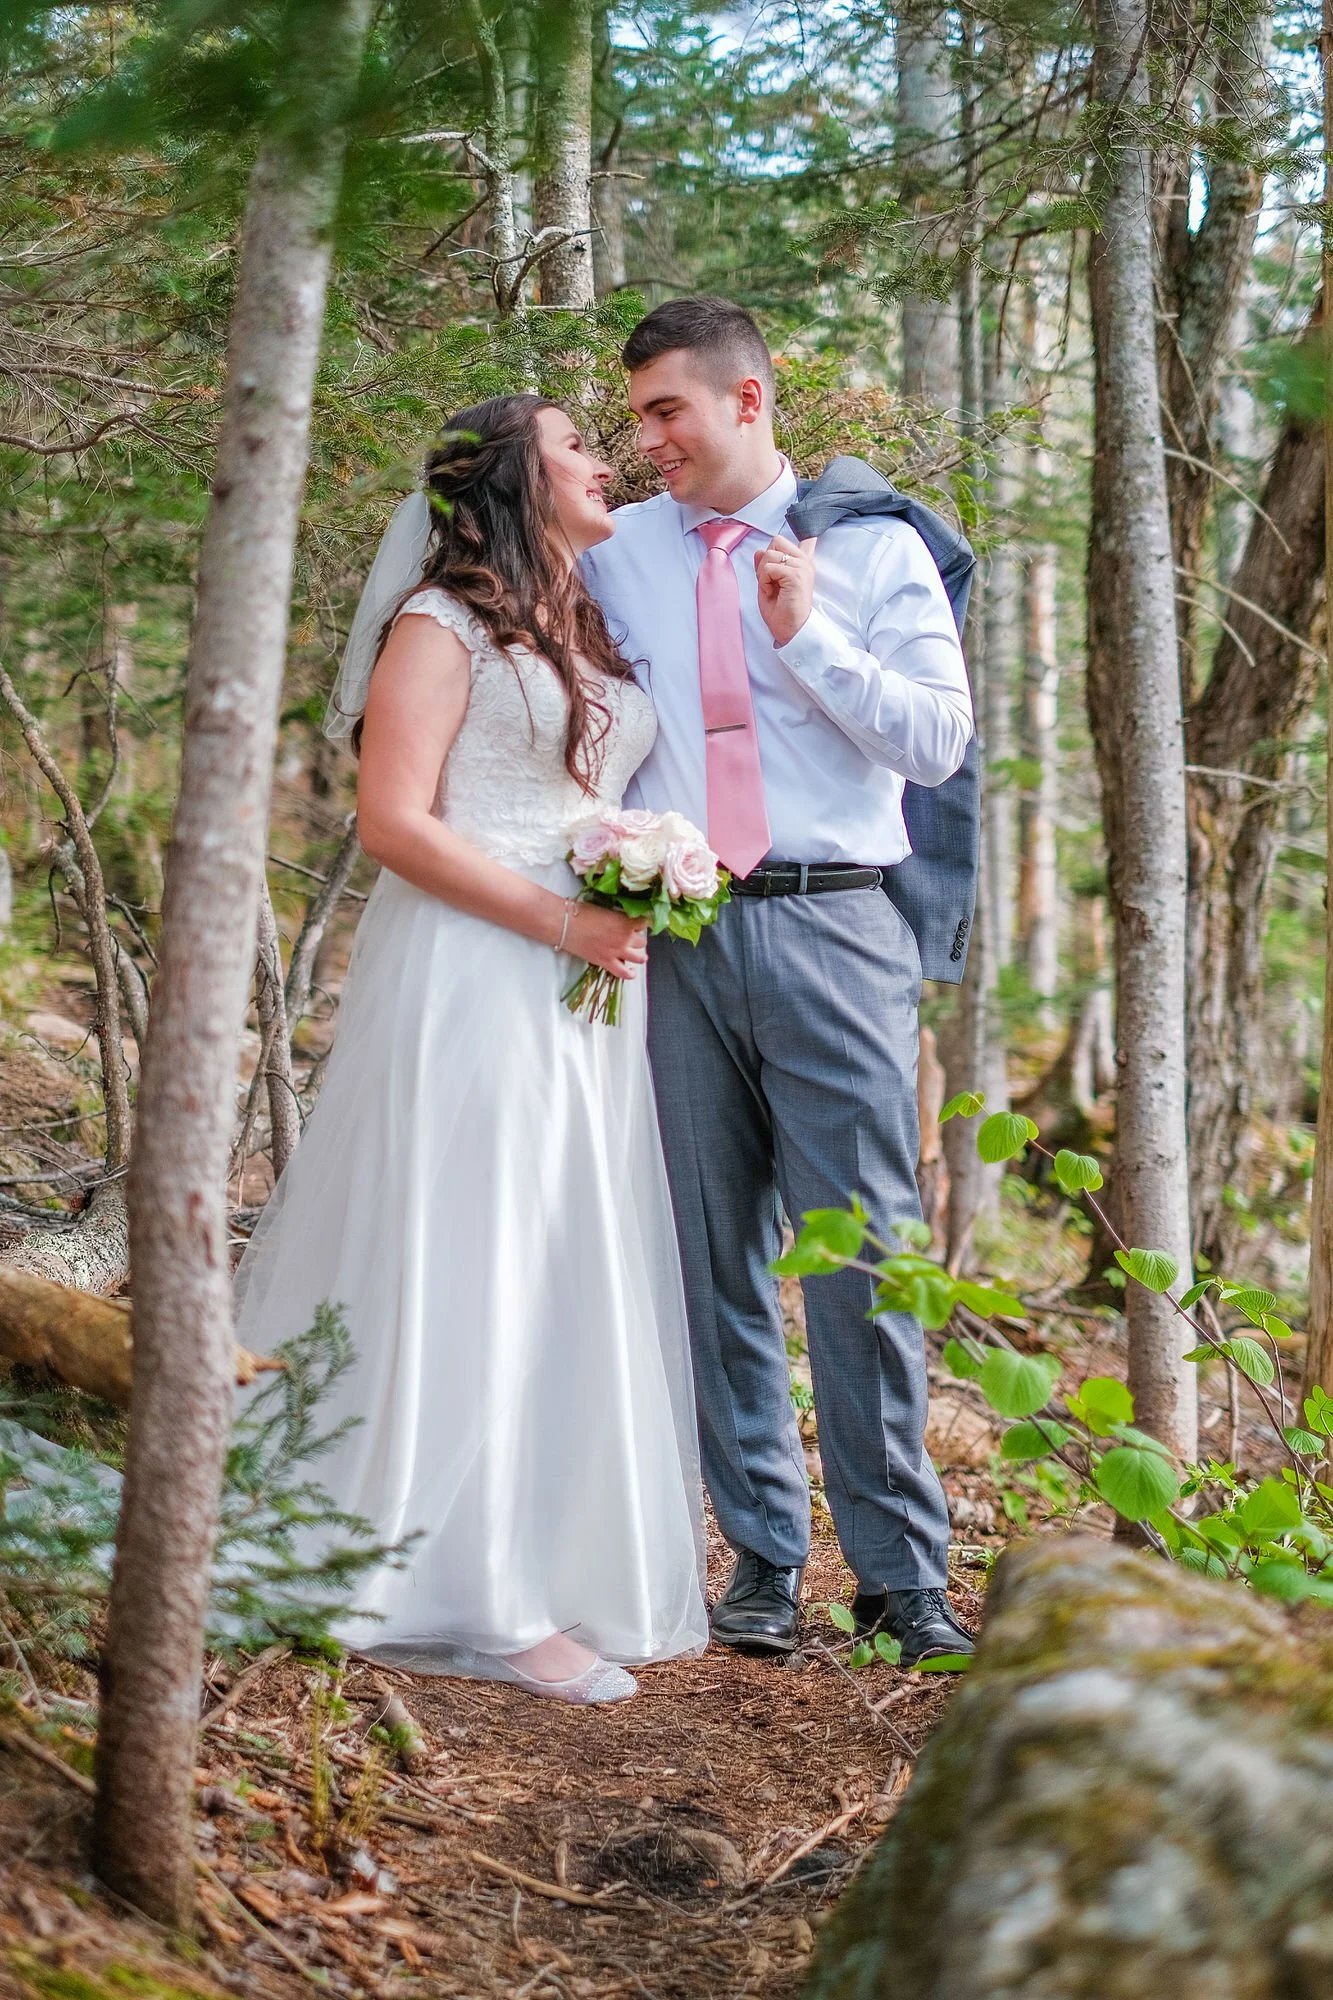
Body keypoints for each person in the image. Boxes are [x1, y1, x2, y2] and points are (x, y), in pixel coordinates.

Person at [233, 394, 708, 1704]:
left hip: (579, 990)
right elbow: (394, 821)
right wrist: (565, 915)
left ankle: (534, 1557)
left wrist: (635, 885)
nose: (602, 458)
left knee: (556, 1256)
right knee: (478, 1254)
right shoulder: (440, 623)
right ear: (511, 477)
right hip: (480, 969)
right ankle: (481, 1596)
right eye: (572, 444)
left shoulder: (583, 620)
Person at [581, 297, 978, 1667]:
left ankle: (900, 1577)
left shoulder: (872, 554)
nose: (649, 444)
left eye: (666, 412)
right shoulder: (618, 553)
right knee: (713, 1255)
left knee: (865, 1253)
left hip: (838, 929)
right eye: (637, 419)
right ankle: (759, 1558)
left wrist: (811, 636)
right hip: (677, 940)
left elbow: (934, 742)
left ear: (748, 401)